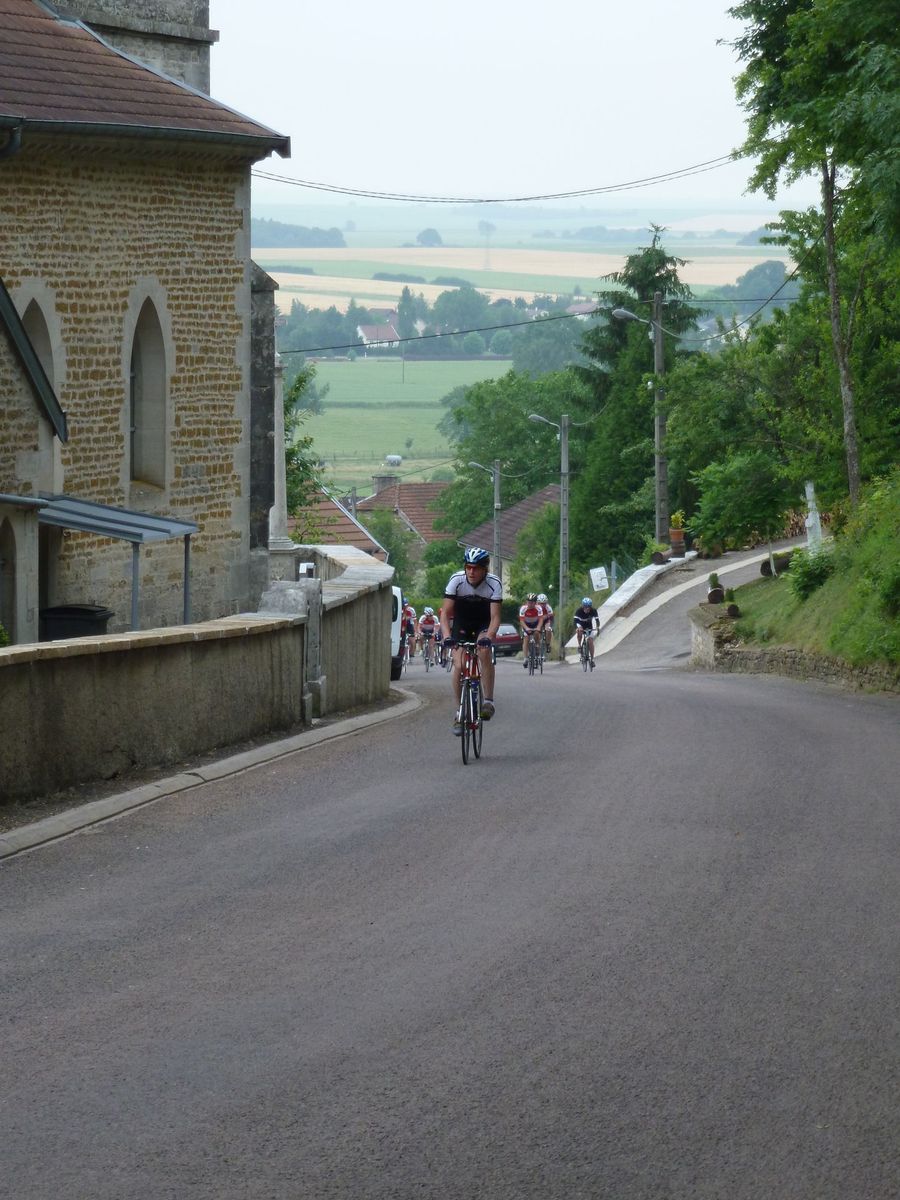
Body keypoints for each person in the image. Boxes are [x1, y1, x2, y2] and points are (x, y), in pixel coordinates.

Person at [440, 547, 502, 732]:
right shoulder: (456, 580)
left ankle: (488, 701)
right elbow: (445, 614)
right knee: (459, 666)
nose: (471, 572)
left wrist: (489, 637)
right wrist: (447, 637)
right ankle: (460, 712)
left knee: (484, 652)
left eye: (476, 568)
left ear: (485, 569)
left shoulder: (494, 583)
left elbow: (495, 617)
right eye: (468, 567)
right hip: (462, 624)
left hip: (483, 623)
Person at [518, 592, 544, 667]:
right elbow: (521, 621)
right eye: (528, 602)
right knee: (526, 639)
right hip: (526, 624)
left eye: (532, 602)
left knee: (537, 634)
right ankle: (525, 658)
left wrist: (538, 627)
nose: (530, 604)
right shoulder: (523, 608)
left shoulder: (538, 608)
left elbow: (541, 619)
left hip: (536, 624)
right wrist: (526, 628)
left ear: (535, 603)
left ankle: (537, 647)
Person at [573, 596, 600, 668]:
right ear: (583, 606)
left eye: (589, 606)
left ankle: (592, 659)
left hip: (589, 627)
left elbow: (597, 620)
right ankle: (579, 645)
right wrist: (578, 628)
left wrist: (597, 627)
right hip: (580, 625)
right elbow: (575, 621)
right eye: (586, 606)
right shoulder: (579, 611)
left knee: (590, 641)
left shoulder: (593, 610)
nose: (587, 608)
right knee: (579, 631)